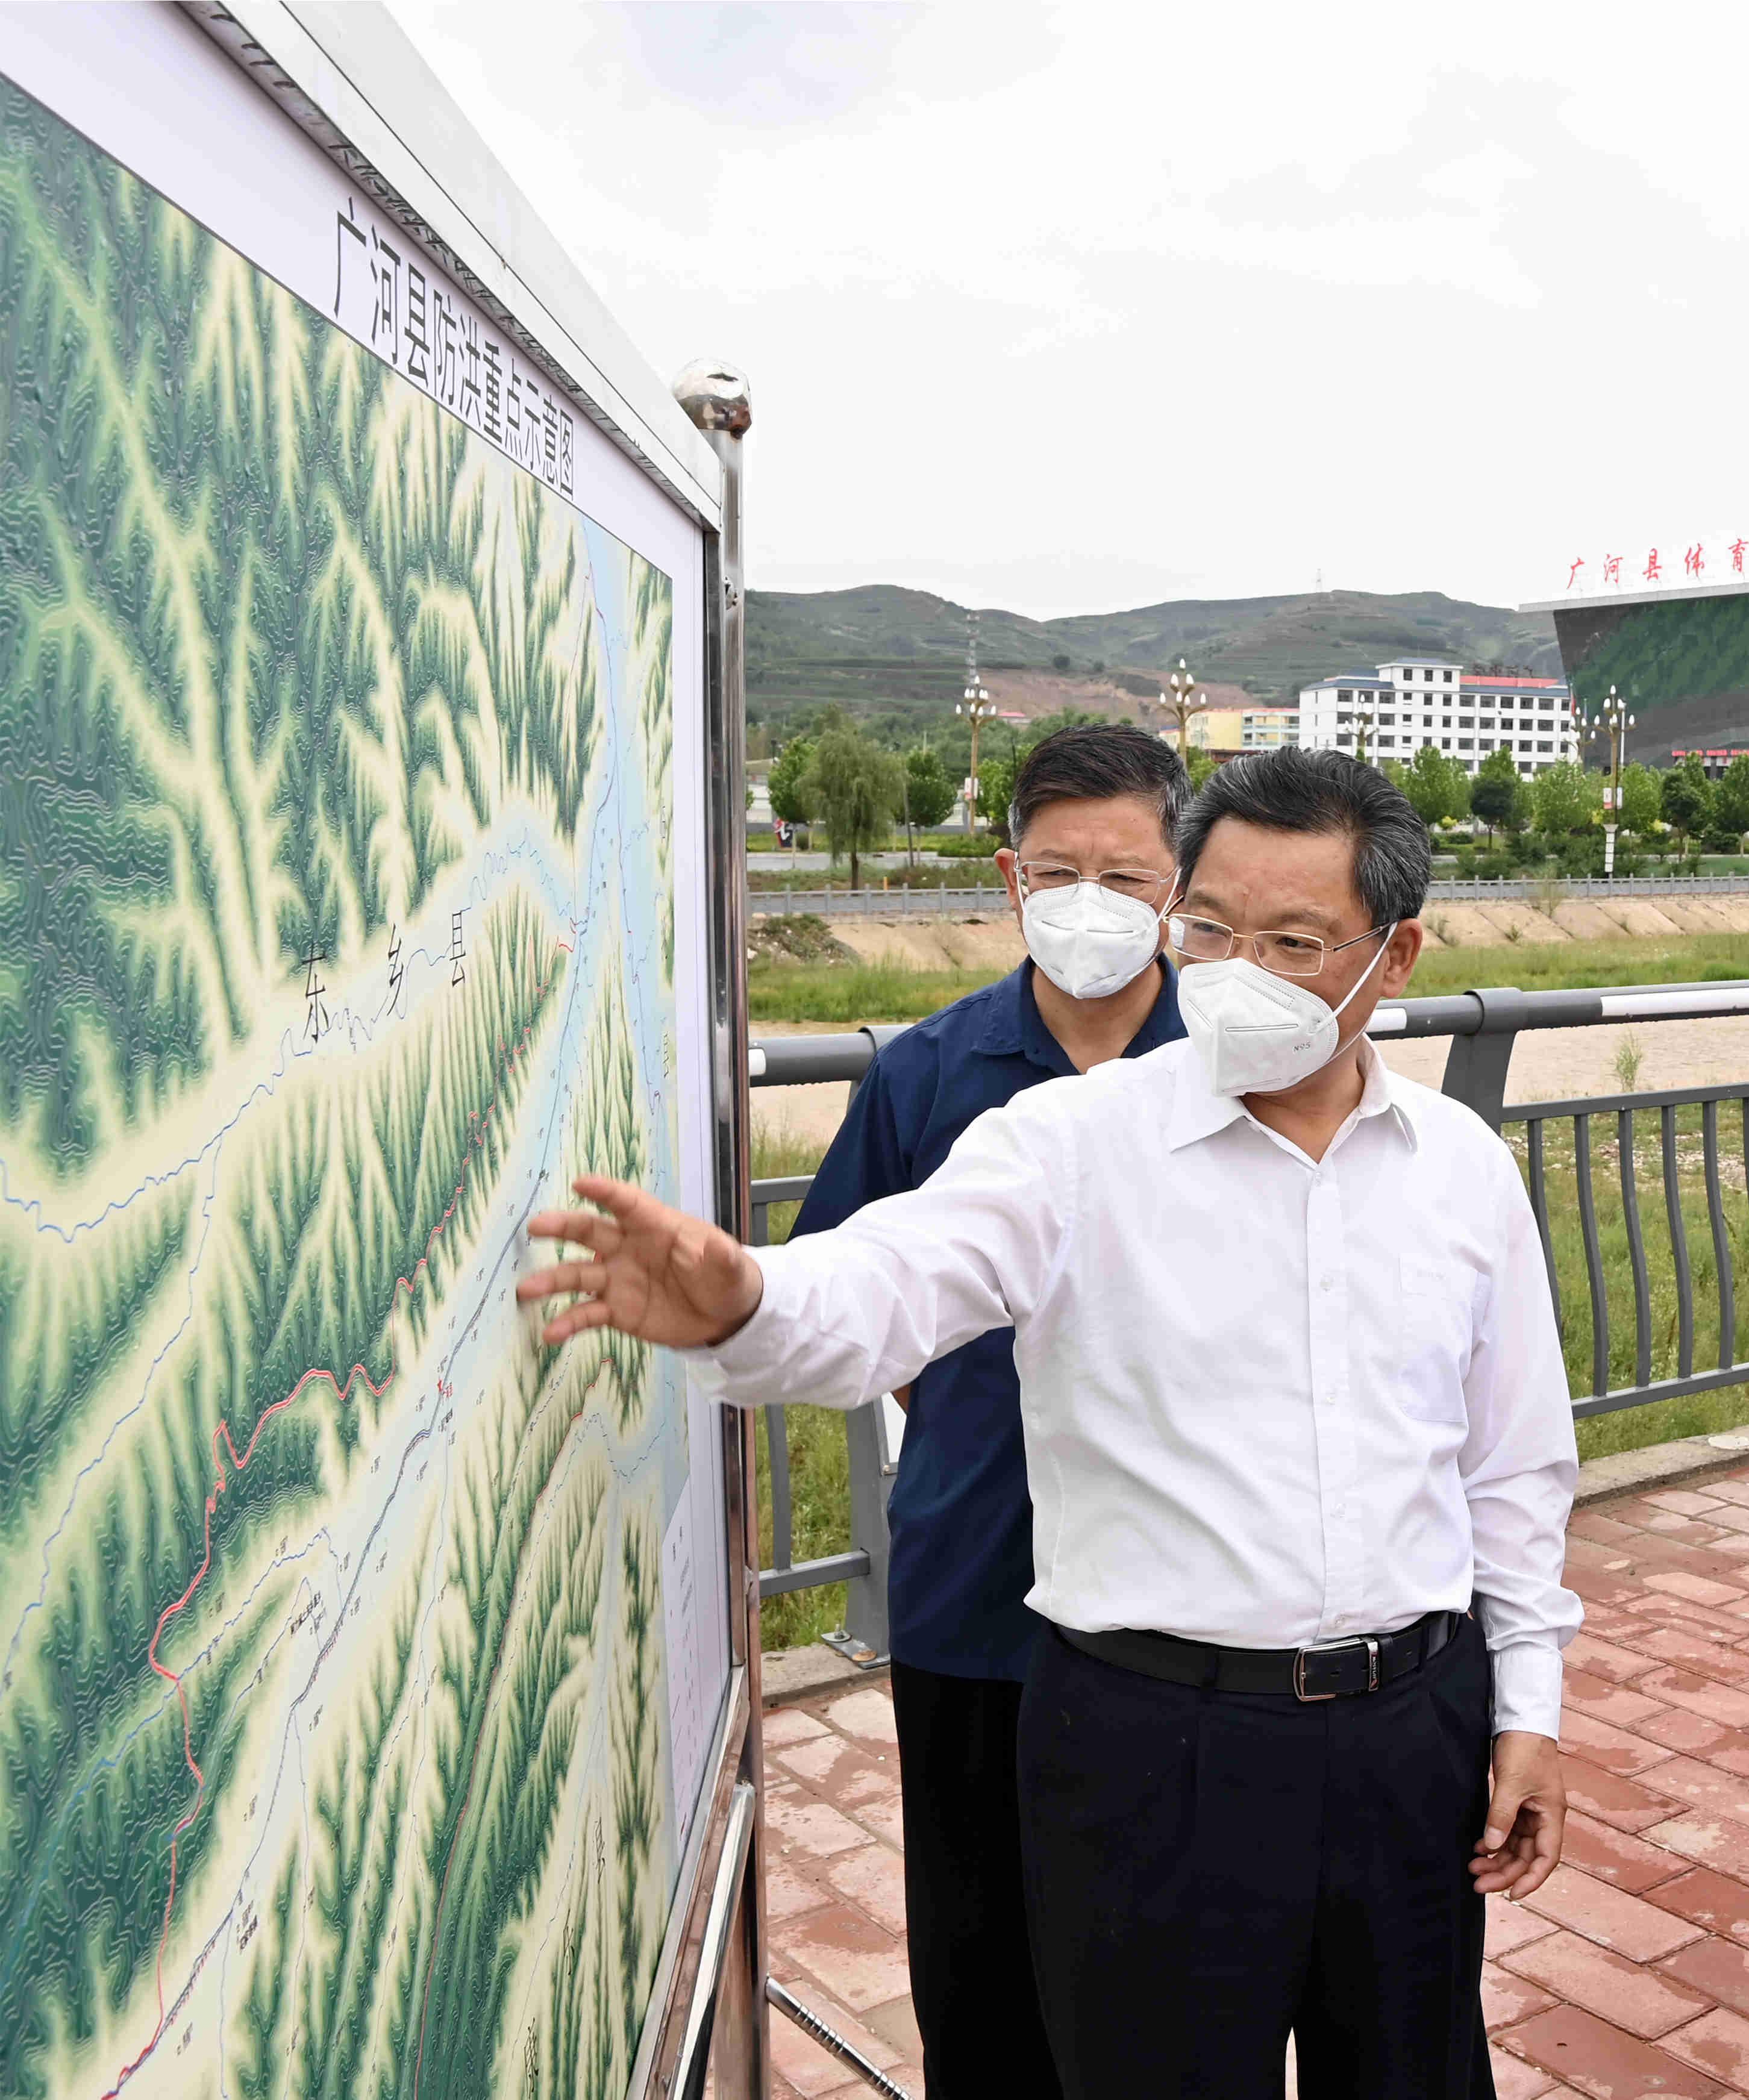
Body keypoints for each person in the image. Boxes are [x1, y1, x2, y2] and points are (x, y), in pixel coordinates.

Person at [523, 749, 1577, 2100]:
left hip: (1407, 1732)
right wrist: (746, 1301)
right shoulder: (1070, 1143)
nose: (1234, 970)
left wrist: (1527, 1705)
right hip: (1154, 1747)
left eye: (1294, 942)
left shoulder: (1461, 1174)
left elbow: (1510, 1468)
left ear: (1399, 955)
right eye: (1207, 929)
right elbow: (891, 1279)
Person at [789, 722, 1191, 2098]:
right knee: (977, 1948)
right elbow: (857, 1299)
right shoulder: (925, 1072)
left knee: (1168, 1950)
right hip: (974, 1577)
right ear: (1010, 874)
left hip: (1182, 1597)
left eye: (1126, 876)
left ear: (1177, 884)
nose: (1091, 902)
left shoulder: (1240, 1064)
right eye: (1058, 869)